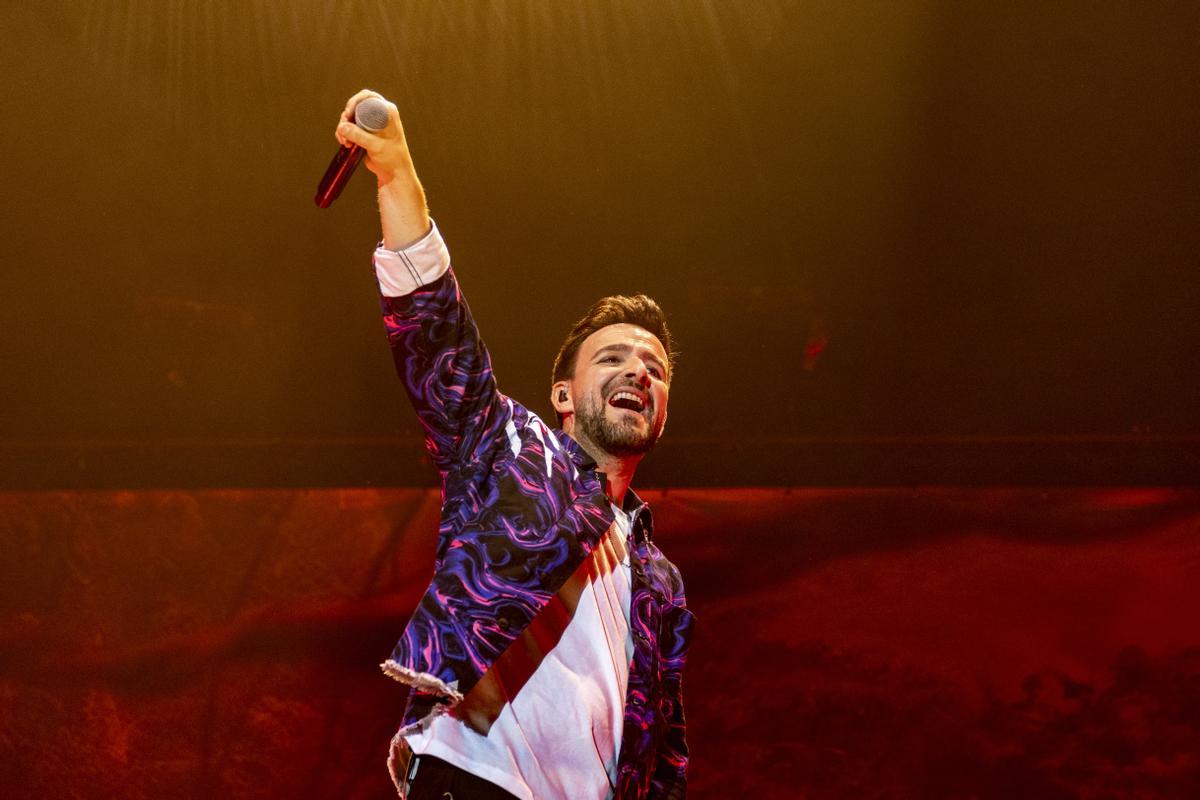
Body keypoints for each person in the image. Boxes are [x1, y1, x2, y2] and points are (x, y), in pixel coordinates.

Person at [334, 90, 695, 800]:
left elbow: (667, 751)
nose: (638, 372)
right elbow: (439, 339)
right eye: (614, 357)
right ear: (563, 395)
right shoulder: (512, 451)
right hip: (474, 776)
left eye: (655, 368)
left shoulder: (660, 580)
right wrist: (398, 173)